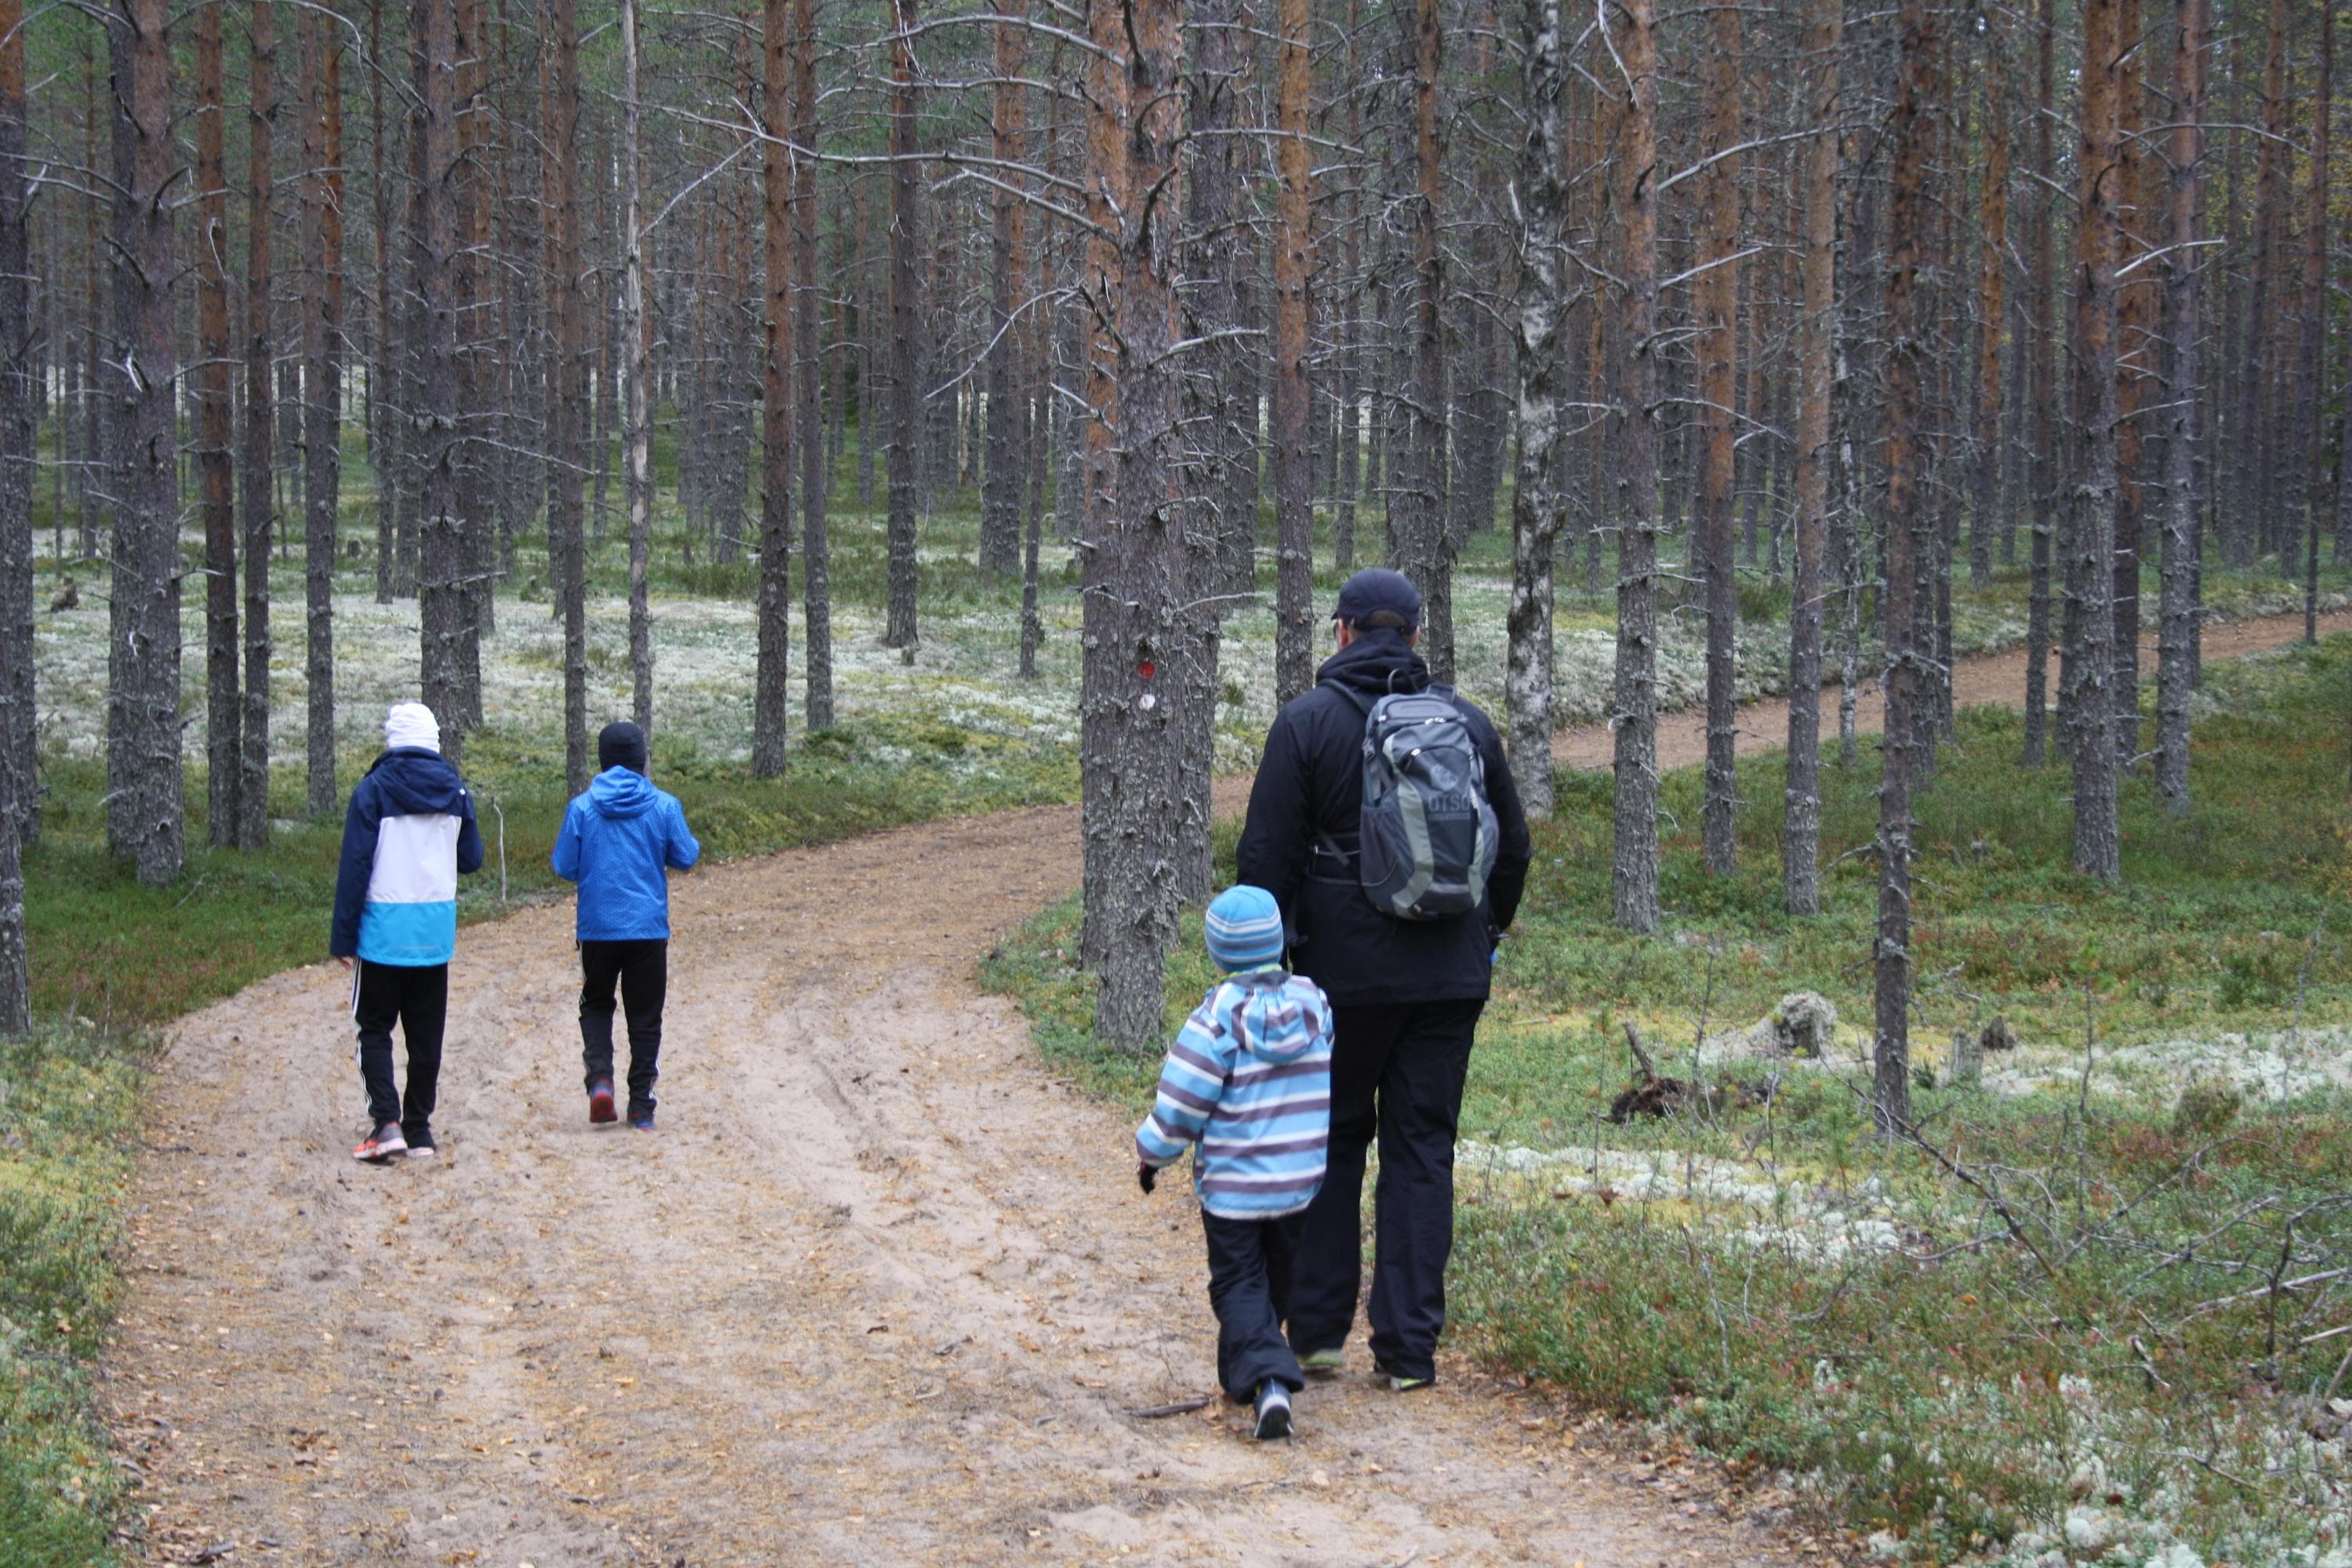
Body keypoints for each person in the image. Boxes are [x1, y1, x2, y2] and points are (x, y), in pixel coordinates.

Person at [1235, 568, 1532, 1392]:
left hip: (1342, 982)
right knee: (1421, 1149)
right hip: (1451, 978)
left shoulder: (1307, 722)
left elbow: (1264, 859)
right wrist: (1488, 935)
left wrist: (1274, 963)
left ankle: (1319, 1333)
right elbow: (1511, 850)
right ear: (1412, 633)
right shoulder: (1468, 724)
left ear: (1341, 631)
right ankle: (1407, 1352)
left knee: (1332, 1141)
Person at [1135, 884, 1334, 1440]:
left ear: (1217, 954)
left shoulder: (1215, 1021)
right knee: (1274, 1279)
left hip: (1233, 1187)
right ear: (1278, 941)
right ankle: (1238, 1376)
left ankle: (1270, 1380)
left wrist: (1152, 1154)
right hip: (1298, 1180)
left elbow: (1180, 1104)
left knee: (1237, 1283)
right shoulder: (1316, 1006)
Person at [331, 702, 485, 1163]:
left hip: (382, 933)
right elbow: (472, 859)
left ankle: (386, 1124)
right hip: (433, 935)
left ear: (393, 740)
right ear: (434, 741)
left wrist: (343, 937)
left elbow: (355, 868)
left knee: (374, 1028)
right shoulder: (457, 792)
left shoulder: (373, 790)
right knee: (426, 1038)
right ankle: (419, 1131)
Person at [552, 720, 701, 1131]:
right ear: (642, 759)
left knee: (597, 1003)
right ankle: (641, 1107)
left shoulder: (582, 808)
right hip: (648, 929)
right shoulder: (664, 806)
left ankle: (600, 1081)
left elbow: (564, 865)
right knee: (645, 1015)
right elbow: (687, 856)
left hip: (597, 928)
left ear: (602, 760)